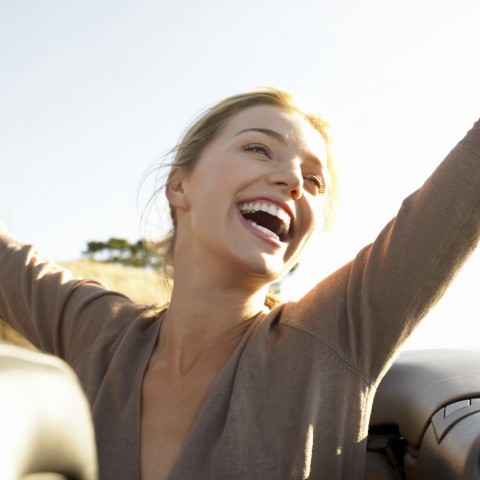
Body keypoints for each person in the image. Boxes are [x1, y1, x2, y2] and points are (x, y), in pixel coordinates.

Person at [0, 88, 479, 480]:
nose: (293, 179)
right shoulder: (98, 333)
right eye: (258, 148)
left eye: (314, 181)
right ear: (179, 186)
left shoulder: (336, 334)